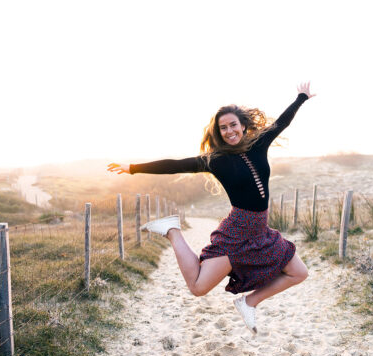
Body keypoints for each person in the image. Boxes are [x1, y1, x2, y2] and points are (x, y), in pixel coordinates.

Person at [107, 82, 316, 335]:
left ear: (243, 126)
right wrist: (132, 168)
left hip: (260, 231)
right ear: (218, 132)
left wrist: (301, 98)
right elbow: (174, 164)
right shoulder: (216, 161)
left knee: (299, 272)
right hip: (237, 232)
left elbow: (281, 123)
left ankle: (248, 302)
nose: (229, 131)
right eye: (223, 128)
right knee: (198, 288)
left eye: (233, 125)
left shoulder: (259, 144)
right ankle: (173, 230)